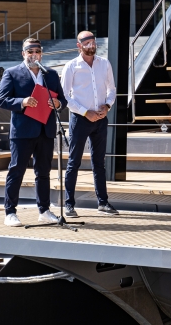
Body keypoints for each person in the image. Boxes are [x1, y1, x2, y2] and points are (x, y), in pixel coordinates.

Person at [0, 37, 67, 227]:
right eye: (30, 52)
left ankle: (44, 210)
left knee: (43, 172)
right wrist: (22, 102)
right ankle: (10, 212)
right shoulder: (12, 73)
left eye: (37, 51)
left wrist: (58, 103)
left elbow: (63, 100)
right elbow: (1, 100)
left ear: (41, 54)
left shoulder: (51, 74)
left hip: (46, 130)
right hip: (22, 131)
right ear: (23, 53)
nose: (34, 55)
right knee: (16, 171)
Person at [61, 31, 119, 216]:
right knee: (74, 162)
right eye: (87, 43)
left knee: (99, 163)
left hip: (100, 119)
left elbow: (112, 89)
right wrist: (85, 112)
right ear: (79, 46)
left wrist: (107, 106)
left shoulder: (104, 64)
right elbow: (64, 96)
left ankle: (103, 202)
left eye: (93, 42)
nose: (91, 45)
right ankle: (69, 204)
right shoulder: (71, 66)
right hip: (80, 119)